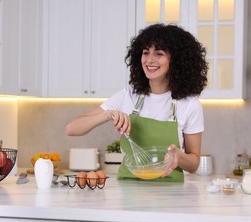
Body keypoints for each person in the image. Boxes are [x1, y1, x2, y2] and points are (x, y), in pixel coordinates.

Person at [65, 23, 208, 182]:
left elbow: (194, 163)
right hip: (129, 190)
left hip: (170, 194)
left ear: (177, 60)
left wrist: (178, 156)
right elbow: (72, 129)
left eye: (159, 54)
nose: (149, 60)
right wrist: (108, 114)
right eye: (145, 52)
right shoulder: (128, 96)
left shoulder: (189, 105)